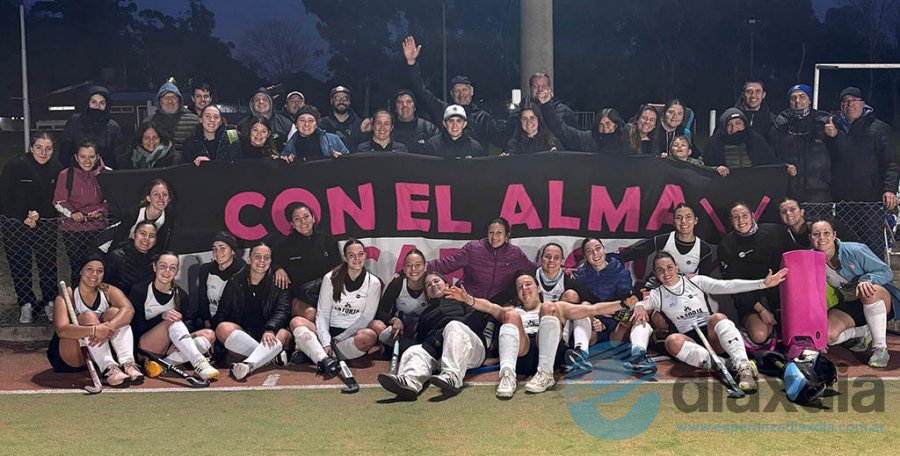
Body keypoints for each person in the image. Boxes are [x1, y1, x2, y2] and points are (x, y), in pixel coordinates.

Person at [445, 273, 638, 398]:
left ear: (538, 288)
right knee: (508, 315)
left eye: (528, 284)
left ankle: (545, 375)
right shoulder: (514, 309)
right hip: (523, 355)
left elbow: (594, 308)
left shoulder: (556, 307)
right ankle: (508, 376)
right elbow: (487, 306)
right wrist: (467, 299)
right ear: (517, 293)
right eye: (520, 287)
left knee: (548, 308)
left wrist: (623, 304)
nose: (524, 289)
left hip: (551, 355)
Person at [628, 252, 789, 391]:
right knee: (672, 341)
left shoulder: (695, 281)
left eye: (669, 267)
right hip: (690, 341)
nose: (666, 273)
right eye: (660, 270)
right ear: (656, 274)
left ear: (676, 267)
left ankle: (743, 367)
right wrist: (640, 306)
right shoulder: (657, 294)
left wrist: (762, 283)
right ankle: (726, 365)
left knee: (717, 317)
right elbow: (641, 305)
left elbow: (726, 286)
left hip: (712, 335)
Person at [377, 272, 493, 400]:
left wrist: (465, 301)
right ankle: (409, 381)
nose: (433, 285)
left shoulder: (463, 300)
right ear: (427, 294)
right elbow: (421, 341)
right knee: (414, 350)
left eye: (436, 281)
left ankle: (452, 377)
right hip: (441, 353)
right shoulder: (425, 314)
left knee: (453, 326)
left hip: (472, 349)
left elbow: (480, 321)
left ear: (447, 285)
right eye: (428, 285)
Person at [812, 219, 896, 368]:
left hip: (879, 298)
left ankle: (880, 348)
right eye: (816, 234)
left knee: (869, 290)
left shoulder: (855, 250)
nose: (821, 238)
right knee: (827, 336)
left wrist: (867, 279)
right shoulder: (811, 259)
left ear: (834, 235)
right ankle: (864, 331)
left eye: (826, 233)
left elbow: (886, 272)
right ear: (810, 238)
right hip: (851, 303)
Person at [825, 86, 899, 256]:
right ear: (841, 106)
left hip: (870, 201)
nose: (850, 105)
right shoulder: (833, 129)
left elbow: (891, 163)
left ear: (863, 104)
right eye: (845, 101)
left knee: (873, 248)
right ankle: (850, 282)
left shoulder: (878, 128)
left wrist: (890, 189)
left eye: (854, 101)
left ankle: (876, 281)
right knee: (847, 248)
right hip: (843, 202)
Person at [0, 131, 63, 323]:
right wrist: (22, 216)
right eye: (39, 148)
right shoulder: (14, 165)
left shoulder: (57, 168)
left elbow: (56, 198)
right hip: (15, 224)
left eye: (48, 148)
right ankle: (26, 303)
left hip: (44, 223)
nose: (43, 153)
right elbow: (5, 196)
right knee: (20, 264)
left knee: (48, 264)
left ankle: (50, 302)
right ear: (31, 148)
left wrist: (40, 214)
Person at [290, 240, 382, 370]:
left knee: (369, 336)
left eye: (360, 254)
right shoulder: (330, 278)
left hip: (350, 334)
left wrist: (340, 338)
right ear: (345, 258)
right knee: (296, 322)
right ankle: (324, 359)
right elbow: (323, 314)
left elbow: (366, 318)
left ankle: (318, 354)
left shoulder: (373, 283)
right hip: (327, 330)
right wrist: (327, 341)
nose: (357, 259)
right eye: (351, 255)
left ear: (365, 256)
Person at [49, 256, 141, 386]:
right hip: (69, 355)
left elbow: (129, 310)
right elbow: (62, 330)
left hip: (95, 354)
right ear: (81, 271)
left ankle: (128, 363)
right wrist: (95, 330)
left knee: (115, 313)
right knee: (88, 317)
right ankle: (109, 368)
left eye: (99, 271)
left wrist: (108, 328)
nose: (94, 274)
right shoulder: (68, 294)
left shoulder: (107, 290)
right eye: (89, 269)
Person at [403, 36, 509, 148]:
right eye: (457, 91)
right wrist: (412, 63)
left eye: (465, 89)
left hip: (476, 164)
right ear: (451, 94)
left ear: (472, 91)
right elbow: (422, 92)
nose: (461, 94)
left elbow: (501, 140)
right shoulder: (443, 111)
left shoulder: (483, 118)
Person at [128, 252, 219, 380]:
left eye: (172, 268)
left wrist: (176, 343)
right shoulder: (140, 291)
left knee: (209, 335)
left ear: (177, 271)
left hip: (169, 349)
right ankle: (199, 362)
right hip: (145, 349)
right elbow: (135, 328)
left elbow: (183, 327)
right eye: (163, 266)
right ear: (155, 267)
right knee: (172, 320)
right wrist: (161, 317)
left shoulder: (182, 296)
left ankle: (161, 366)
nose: (167, 271)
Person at [214, 243, 292, 380]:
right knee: (222, 328)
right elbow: (223, 312)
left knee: (284, 333)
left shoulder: (279, 281)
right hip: (245, 335)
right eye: (257, 257)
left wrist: (270, 329)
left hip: (271, 333)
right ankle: (269, 358)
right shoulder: (235, 281)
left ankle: (249, 364)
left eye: (266, 258)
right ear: (249, 259)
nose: (262, 261)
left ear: (270, 261)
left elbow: (283, 312)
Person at [717, 202, 792, 345]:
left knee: (793, 330)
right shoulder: (726, 245)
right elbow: (733, 285)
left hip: (781, 295)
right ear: (731, 221)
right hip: (750, 300)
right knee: (759, 335)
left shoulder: (776, 232)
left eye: (744, 215)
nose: (741, 221)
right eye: (736, 217)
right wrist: (761, 309)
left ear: (753, 216)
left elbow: (795, 259)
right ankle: (756, 337)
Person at [427, 217, 536, 304]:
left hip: (498, 306)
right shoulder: (473, 248)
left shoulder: (515, 254)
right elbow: (446, 264)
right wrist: (422, 267)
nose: (494, 237)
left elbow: (532, 270)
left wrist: (550, 269)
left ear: (507, 236)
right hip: (467, 300)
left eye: (499, 233)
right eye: (491, 233)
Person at [272, 203, 341, 332]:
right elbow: (271, 262)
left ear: (313, 218)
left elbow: (338, 268)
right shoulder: (283, 245)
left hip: (325, 294)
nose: (303, 222)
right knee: (311, 314)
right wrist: (278, 269)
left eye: (306, 216)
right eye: (297, 219)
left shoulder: (328, 240)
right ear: (292, 223)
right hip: (298, 297)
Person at [54, 140, 109, 286]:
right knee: (78, 267)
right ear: (76, 157)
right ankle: (78, 302)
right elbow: (59, 200)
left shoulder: (106, 174)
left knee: (98, 266)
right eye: (83, 156)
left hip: (99, 227)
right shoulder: (66, 175)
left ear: (97, 157)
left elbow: (112, 199)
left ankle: (99, 301)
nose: (87, 161)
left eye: (91, 156)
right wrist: (72, 213)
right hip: (73, 229)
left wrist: (101, 211)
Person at [620, 203, 714, 285]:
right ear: (673, 222)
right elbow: (634, 252)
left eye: (688, 217)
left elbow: (704, 281)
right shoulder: (662, 240)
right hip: (657, 289)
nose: (683, 221)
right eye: (678, 218)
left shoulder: (704, 249)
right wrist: (608, 258)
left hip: (684, 293)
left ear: (695, 220)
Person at [769, 84, 832, 203]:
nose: (797, 101)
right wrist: (783, 167)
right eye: (793, 98)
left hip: (819, 191)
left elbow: (839, 154)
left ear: (809, 100)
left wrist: (836, 136)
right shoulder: (779, 125)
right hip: (788, 191)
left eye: (802, 97)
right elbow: (772, 157)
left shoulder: (824, 123)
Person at [572, 237, 633, 343]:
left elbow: (625, 306)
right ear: (585, 257)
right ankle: (580, 351)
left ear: (604, 250)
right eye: (589, 251)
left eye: (598, 248)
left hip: (614, 327)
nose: (595, 253)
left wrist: (605, 325)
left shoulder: (621, 272)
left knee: (632, 313)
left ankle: (637, 352)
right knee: (584, 305)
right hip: (591, 324)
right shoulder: (579, 275)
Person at [371, 249, 429, 356]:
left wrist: (420, 325)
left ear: (425, 267)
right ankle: (394, 348)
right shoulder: (397, 283)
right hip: (399, 331)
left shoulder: (430, 284)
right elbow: (380, 311)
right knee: (375, 325)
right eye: (409, 265)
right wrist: (394, 320)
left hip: (421, 333)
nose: (413, 269)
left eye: (418, 265)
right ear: (404, 268)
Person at [98, 178, 175, 254]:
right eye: (156, 194)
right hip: (108, 242)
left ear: (169, 199)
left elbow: (162, 241)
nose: (161, 198)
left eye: (165, 194)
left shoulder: (168, 214)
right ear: (148, 198)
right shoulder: (134, 213)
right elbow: (118, 237)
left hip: (131, 246)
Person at [58, 85, 123, 169]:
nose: (98, 106)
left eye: (102, 103)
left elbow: (120, 157)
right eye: (93, 102)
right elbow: (65, 151)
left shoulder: (113, 127)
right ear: (87, 103)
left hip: (104, 174)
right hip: (77, 173)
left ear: (106, 106)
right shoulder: (74, 122)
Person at [193, 231, 246, 331]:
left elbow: (238, 310)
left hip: (230, 324)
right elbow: (202, 299)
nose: (217, 253)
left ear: (233, 251)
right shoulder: (205, 269)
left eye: (222, 248)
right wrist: (206, 320)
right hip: (208, 321)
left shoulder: (242, 273)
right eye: (215, 249)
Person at [703, 108, 779, 177]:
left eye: (738, 123)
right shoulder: (715, 143)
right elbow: (705, 169)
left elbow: (771, 165)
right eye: (729, 125)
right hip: (725, 185)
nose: (734, 128)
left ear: (745, 124)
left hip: (753, 185)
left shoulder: (755, 140)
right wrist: (716, 169)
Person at [779, 198, 858, 250]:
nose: (788, 213)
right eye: (784, 211)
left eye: (792, 209)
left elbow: (854, 243)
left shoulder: (822, 224)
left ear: (802, 212)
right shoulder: (783, 235)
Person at [148, 79, 200, 155]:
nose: (170, 101)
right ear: (160, 101)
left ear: (179, 100)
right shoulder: (150, 122)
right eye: (166, 98)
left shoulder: (195, 121)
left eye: (173, 98)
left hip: (187, 165)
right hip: (161, 165)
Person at [104, 221, 158, 294]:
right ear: (133, 235)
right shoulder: (117, 256)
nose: (146, 238)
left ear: (155, 241)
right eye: (143, 234)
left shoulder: (157, 262)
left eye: (151, 236)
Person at [279, 106, 349, 161]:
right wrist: (285, 161)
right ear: (296, 124)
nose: (306, 124)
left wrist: (341, 159)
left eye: (311, 121)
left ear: (316, 124)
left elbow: (350, 162)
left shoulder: (333, 139)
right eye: (302, 120)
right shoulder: (289, 146)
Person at [422, 105, 487, 158]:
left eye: (459, 121)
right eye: (451, 121)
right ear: (444, 124)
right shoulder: (431, 146)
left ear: (464, 124)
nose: (454, 125)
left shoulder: (475, 148)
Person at [319, 86, 367, 153]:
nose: (341, 101)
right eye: (337, 98)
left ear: (349, 102)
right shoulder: (323, 124)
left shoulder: (359, 124)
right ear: (331, 101)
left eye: (345, 98)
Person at [392, 90, 440, 155]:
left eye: (409, 102)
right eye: (400, 102)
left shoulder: (429, 128)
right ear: (395, 108)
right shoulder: (387, 129)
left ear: (414, 107)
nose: (404, 105)